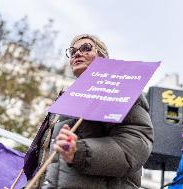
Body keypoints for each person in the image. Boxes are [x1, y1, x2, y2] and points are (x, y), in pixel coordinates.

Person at [23, 34, 154, 189]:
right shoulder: (65, 99)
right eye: (72, 52)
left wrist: (79, 151)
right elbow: (47, 158)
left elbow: (135, 147)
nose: (77, 53)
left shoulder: (119, 88)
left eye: (85, 48)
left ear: (102, 57)